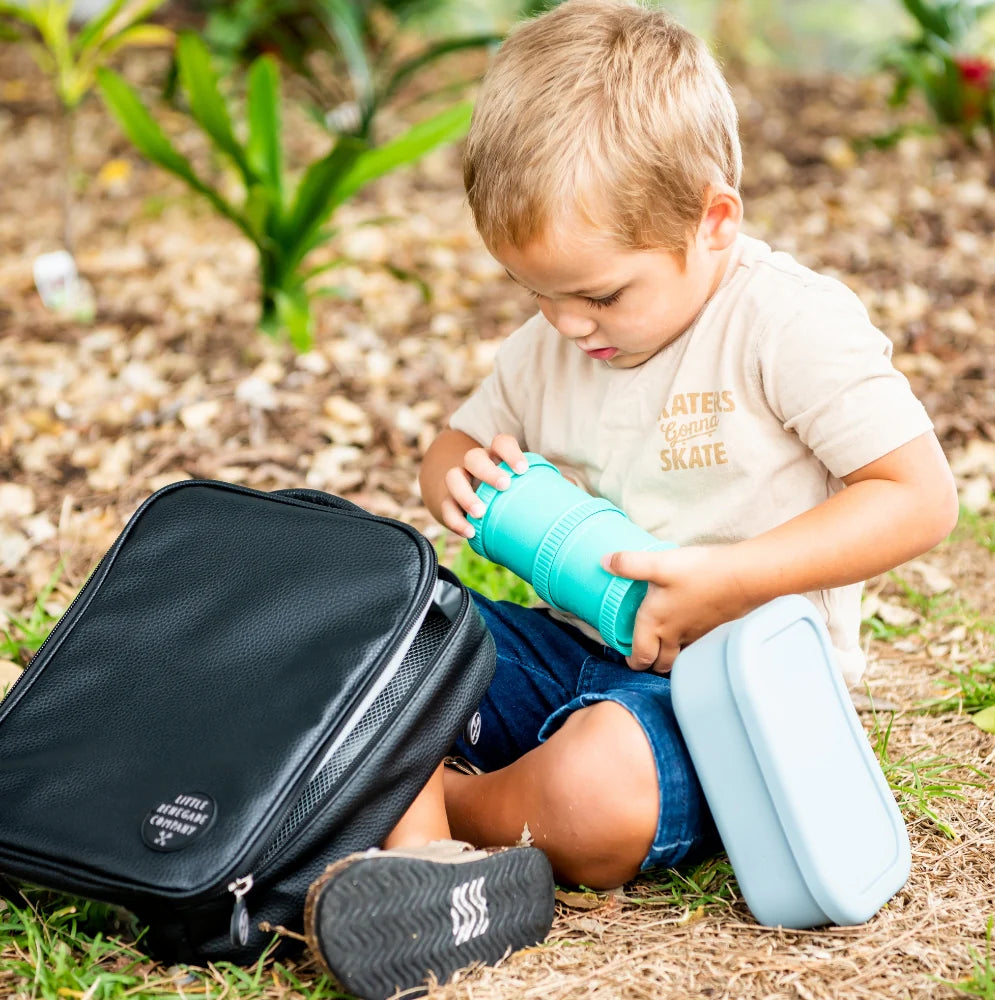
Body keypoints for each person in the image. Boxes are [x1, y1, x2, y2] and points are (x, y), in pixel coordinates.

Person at [303, 0, 959, 996]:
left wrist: (725, 580)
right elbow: (453, 441)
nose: (569, 326)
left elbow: (917, 498)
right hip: (568, 645)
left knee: (599, 792)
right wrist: (459, 480)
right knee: (377, 618)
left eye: (601, 296)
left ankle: (419, 800)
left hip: (730, 694)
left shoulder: (785, 325)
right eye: (537, 295)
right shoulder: (555, 340)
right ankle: (423, 863)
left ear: (714, 219)